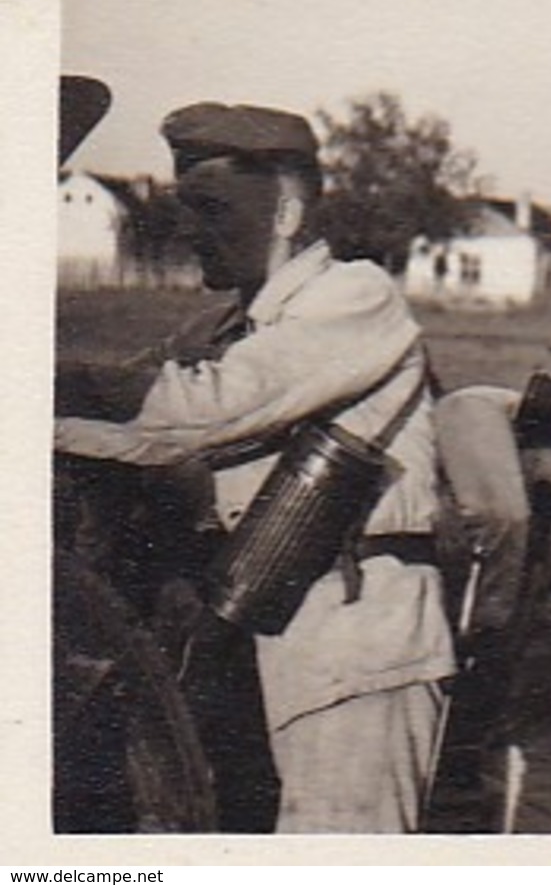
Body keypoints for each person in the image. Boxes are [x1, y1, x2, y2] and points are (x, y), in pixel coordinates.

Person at [54, 103, 456, 832]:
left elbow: (198, 411)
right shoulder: (219, 327)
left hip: (358, 642)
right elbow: (127, 391)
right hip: (278, 633)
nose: (188, 228)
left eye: (211, 209)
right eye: (184, 208)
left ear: (287, 213)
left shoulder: (354, 298)